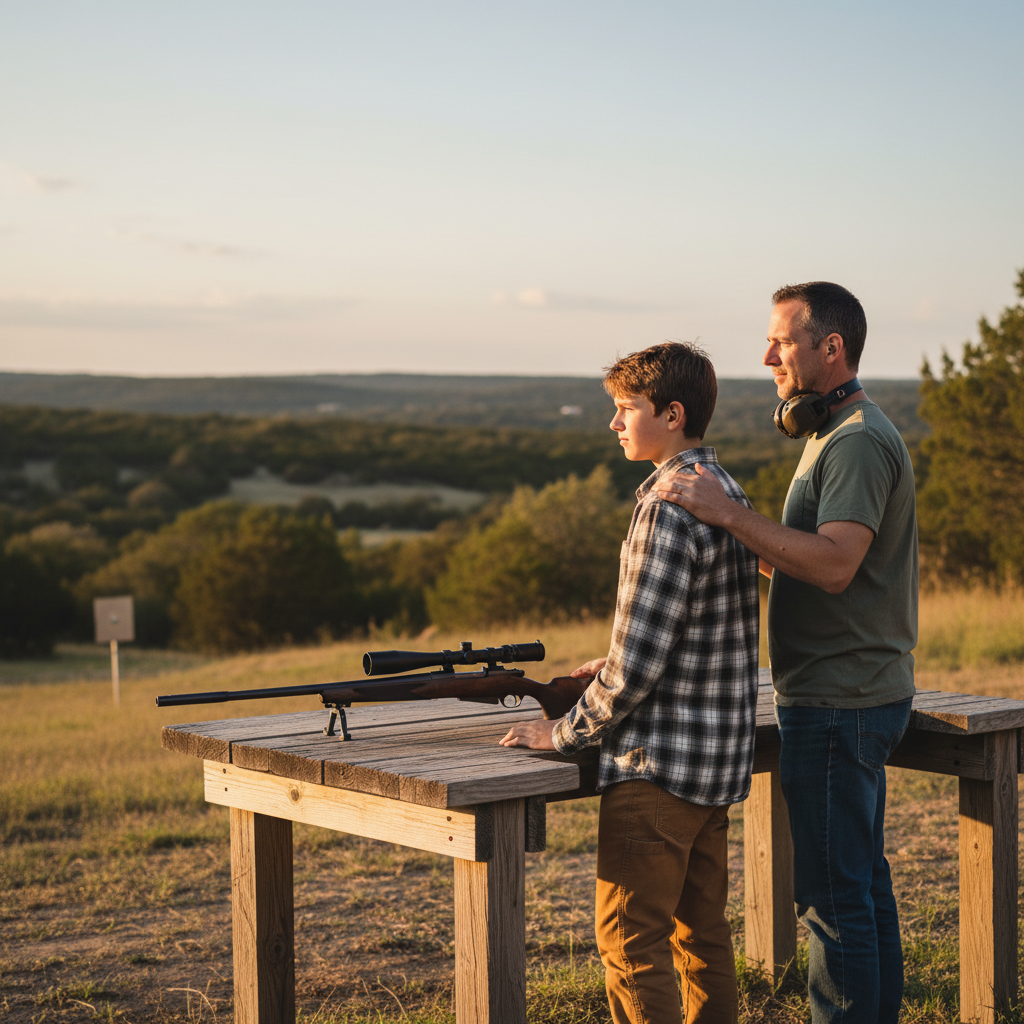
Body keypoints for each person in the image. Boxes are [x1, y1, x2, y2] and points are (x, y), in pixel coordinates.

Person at [655, 282, 917, 1024]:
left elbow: (834, 564)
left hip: (841, 699)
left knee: (833, 900)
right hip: (851, 691)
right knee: (860, 886)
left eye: (782, 340)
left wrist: (729, 512)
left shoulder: (857, 441)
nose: (767, 354)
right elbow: (816, 563)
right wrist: (738, 538)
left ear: (829, 348)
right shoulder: (830, 435)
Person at [500, 341, 760, 1024]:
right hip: (714, 766)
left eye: (625, 409)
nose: (613, 424)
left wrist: (562, 733)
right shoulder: (726, 491)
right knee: (701, 936)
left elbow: (640, 664)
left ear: (672, 415)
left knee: (631, 942)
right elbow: (692, 633)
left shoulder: (666, 505)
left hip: (657, 770)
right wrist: (610, 657)